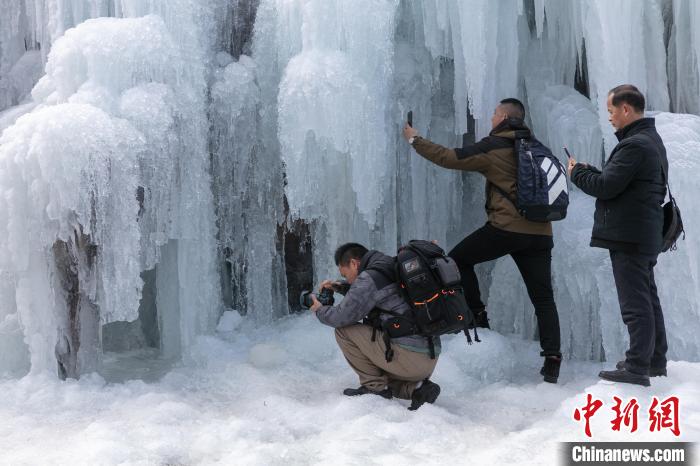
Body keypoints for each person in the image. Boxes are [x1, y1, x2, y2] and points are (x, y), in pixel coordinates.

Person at [402, 98, 562, 383]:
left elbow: (450, 157)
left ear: (502, 117)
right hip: (540, 233)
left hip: (506, 229)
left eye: (493, 114)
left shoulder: (495, 145)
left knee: (457, 261)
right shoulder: (536, 148)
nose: (490, 118)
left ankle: (478, 319)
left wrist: (415, 140)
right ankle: (553, 359)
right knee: (543, 298)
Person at [568, 84, 668, 387]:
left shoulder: (635, 145)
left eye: (611, 111)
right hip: (642, 234)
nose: (609, 118)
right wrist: (594, 172)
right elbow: (619, 182)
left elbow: (606, 187)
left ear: (626, 109)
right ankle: (654, 360)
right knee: (647, 299)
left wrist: (576, 173)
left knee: (635, 304)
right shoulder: (649, 140)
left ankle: (637, 366)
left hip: (630, 236)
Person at [310, 243, 441, 410]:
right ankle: (418, 389)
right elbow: (375, 295)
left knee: (343, 331)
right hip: (428, 356)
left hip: (409, 356)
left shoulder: (369, 278)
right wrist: (341, 287)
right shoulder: (389, 266)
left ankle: (374, 388)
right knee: (379, 369)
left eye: (345, 274)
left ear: (354, 263)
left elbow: (340, 317)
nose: (348, 278)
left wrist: (319, 309)